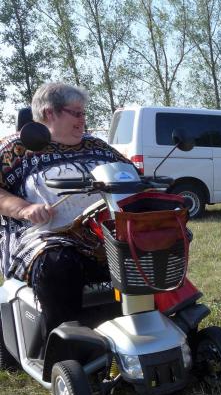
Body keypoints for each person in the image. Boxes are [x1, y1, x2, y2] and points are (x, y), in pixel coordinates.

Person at [0, 82, 127, 339]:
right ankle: (66, 343)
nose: (83, 120)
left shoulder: (98, 146)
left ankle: (154, 332)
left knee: (152, 247)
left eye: (83, 113)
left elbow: (130, 176)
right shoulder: (16, 148)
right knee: (58, 262)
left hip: (102, 234)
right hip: (46, 235)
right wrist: (25, 209)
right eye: (76, 113)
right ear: (50, 113)